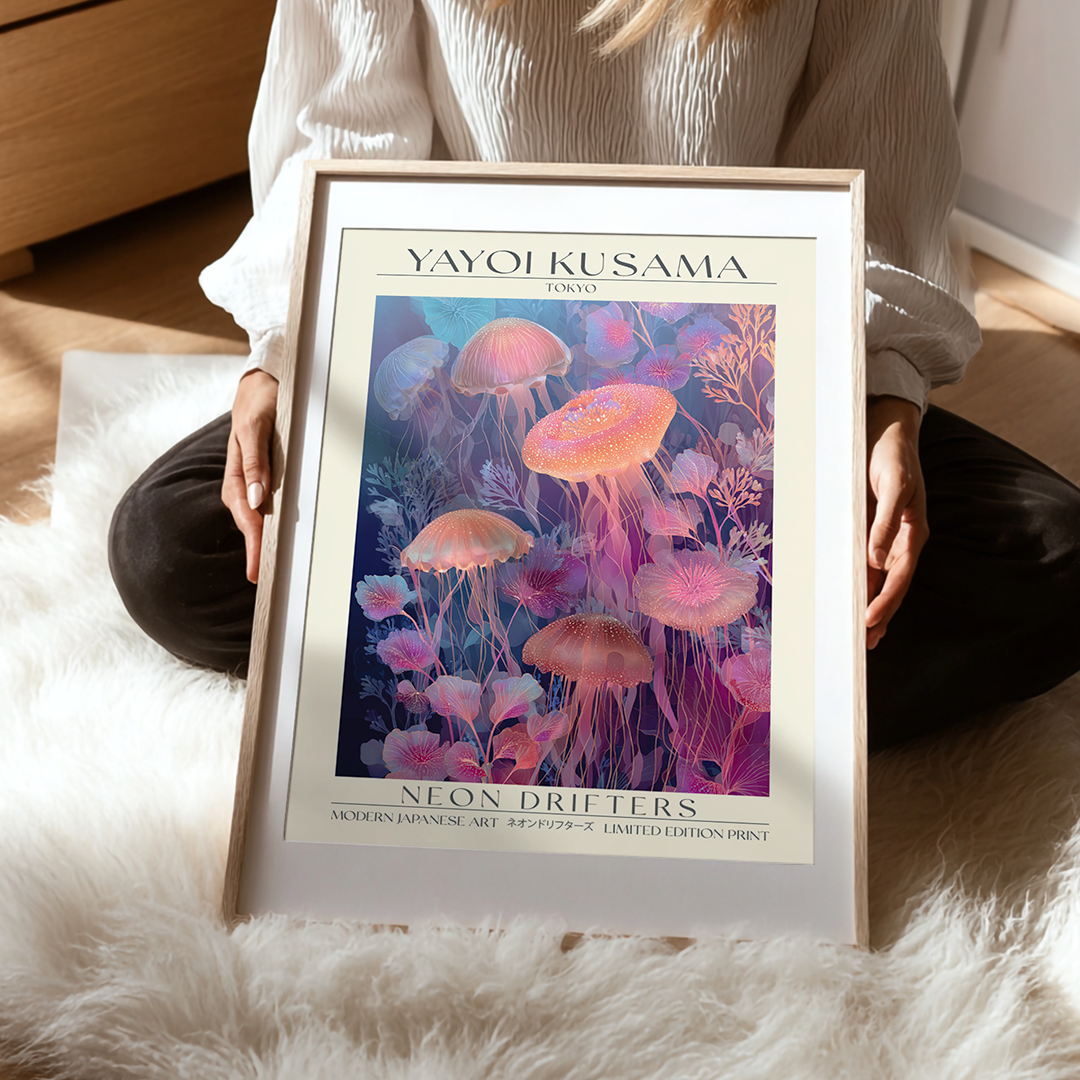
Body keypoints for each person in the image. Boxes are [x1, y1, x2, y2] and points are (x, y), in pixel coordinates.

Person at [108, 0, 1080, 749]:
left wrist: (880, 400)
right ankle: (705, 697)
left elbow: (875, 178)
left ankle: (559, 700)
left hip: (750, 373)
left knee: (1056, 560)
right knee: (176, 547)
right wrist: (283, 355)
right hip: (466, 374)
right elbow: (338, 144)